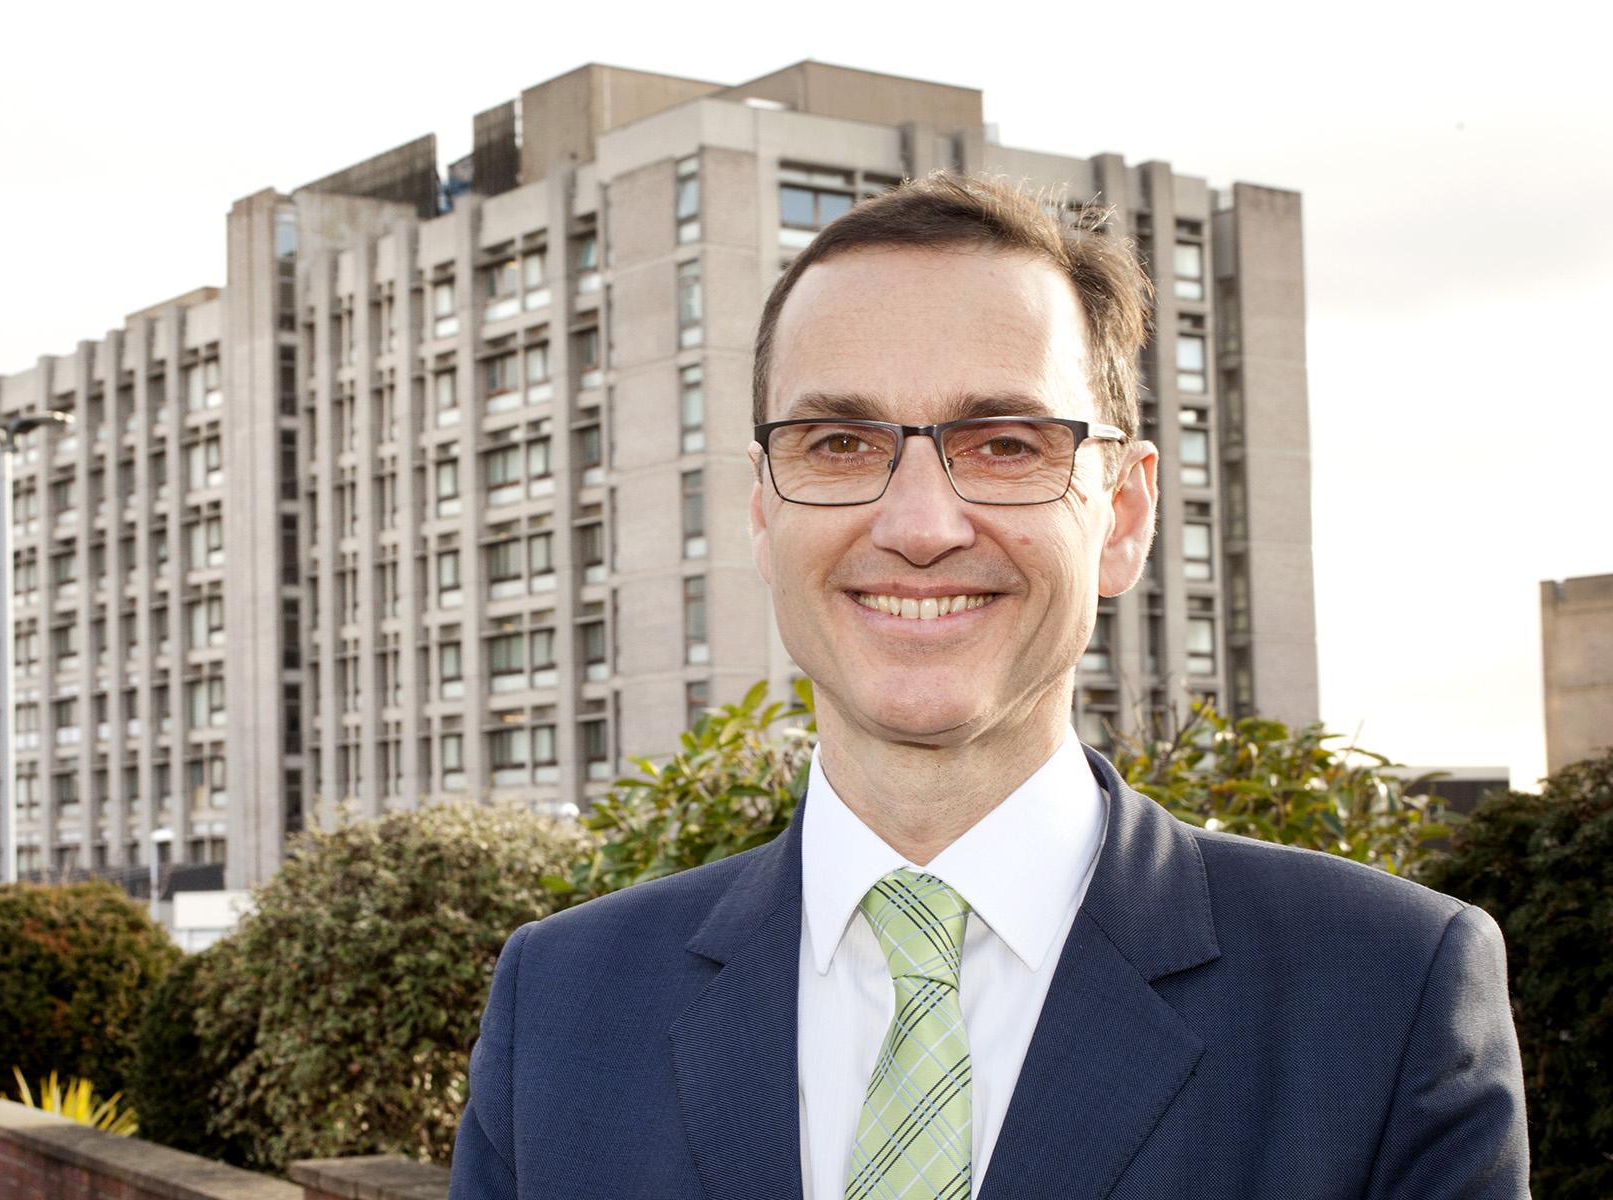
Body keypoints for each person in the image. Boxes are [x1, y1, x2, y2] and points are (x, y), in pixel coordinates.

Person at [447, 173, 1528, 1200]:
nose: (920, 525)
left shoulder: (1387, 995)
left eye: (1006, 444)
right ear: (765, 513)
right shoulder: (563, 1006)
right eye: (839, 441)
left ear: (1124, 515)